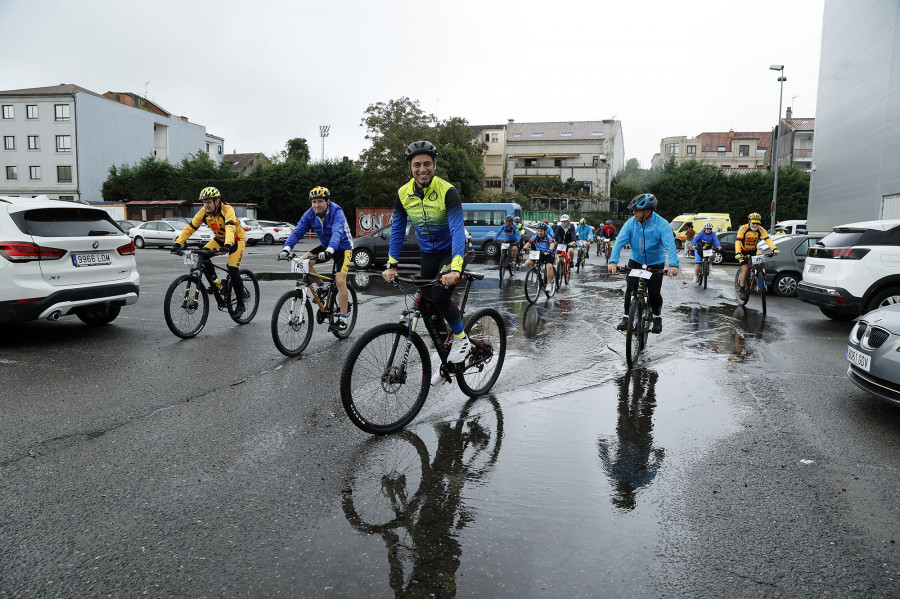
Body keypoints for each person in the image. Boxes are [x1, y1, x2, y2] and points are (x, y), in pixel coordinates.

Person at [381, 140, 470, 364]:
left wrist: (456, 268)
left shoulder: (448, 191)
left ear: (435, 165)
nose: (423, 169)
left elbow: (457, 231)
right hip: (428, 253)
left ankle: (462, 339)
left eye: (427, 164)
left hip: (452, 250)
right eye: (417, 164)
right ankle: (447, 355)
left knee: (439, 295)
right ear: (410, 168)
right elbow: (399, 229)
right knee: (426, 304)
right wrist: (392, 265)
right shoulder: (403, 194)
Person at [279, 186, 355, 329]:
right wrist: (286, 248)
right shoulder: (309, 214)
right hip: (326, 246)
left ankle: (343, 318)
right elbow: (298, 230)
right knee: (304, 263)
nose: (316, 205)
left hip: (343, 247)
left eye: (320, 201)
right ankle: (322, 287)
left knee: (339, 280)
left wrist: (331, 250)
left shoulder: (337, 211)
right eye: (313, 202)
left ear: (328, 201)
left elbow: (337, 232)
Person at [607, 194, 680, 334]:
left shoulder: (662, 224)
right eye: (633, 211)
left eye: (637, 211)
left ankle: (657, 317)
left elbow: (670, 245)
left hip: (656, 262)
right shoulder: (631, 223)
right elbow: (619, 242)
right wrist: (613, 261)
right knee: (630, 288)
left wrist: (673, 265)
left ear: (648, 211)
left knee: (654, 293)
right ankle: (626, 317)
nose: (634, 213)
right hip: (636, 260)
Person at [172, 186, 248, 317]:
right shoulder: (203, 213)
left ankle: (241, 304)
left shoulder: (227, 209)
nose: (206, 205)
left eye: (208, 202)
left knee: (232, 270)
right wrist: (178, 243)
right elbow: (190, 228)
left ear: (217, 201)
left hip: (236, 239)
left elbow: (230, 227)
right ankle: (218, 285)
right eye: (204, 202)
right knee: (204, 255)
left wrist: (228, 245)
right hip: (219, 239)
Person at [735, 212, 779, 301]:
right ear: (749, 221)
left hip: (754, 250)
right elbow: (738, 241)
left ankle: (759, 278)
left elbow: (767, 239)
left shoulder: (761, 229)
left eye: (757, 223)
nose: (755, 225)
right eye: (753, 223)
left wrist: (774, 248)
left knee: (762, 262)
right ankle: (742, 288)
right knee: (746, 268)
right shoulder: (743, 228)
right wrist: (738, 253)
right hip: (743, 251)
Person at [522, 222, 556, 292]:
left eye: (541, 231)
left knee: (549, 266)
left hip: (548, 254)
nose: (539, 232)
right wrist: (524, 249)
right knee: (527, 263)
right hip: (539, 253)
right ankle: (537, 274)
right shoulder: (535, 236)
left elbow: (552, 244)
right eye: (538, 231)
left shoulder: (548, 236)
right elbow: (529, 243)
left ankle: (549, 284)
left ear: (545, 231)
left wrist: (550, 250)